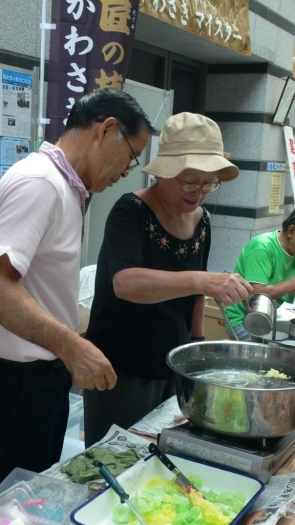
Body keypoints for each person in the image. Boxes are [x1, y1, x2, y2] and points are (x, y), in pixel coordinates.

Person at [0, 88, 154, 482]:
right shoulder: (41, 182)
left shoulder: (67, 188)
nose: (127, 172)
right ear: (106, 130)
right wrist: (71, 344)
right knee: (17, 498)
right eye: (132, 157)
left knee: (34, 493)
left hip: (41, 377)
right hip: (16, 382)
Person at [83, 112, 253, 446]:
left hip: (173, 359)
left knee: (163, 453)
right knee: (115, 458)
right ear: (164, 173)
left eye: (208, 183)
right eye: (190, 182)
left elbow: (196, 298)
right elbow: (125, 283)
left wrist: (196, 351)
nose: (199, 193)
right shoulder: (130, 211)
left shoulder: (202, 220)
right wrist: (202, 280)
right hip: (120, 364)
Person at [225, 209, 295, 341]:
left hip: (277, 318)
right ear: (291, 231)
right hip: (245, 319)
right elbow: (258, 294)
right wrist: (291, 283)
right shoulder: (262, 247)